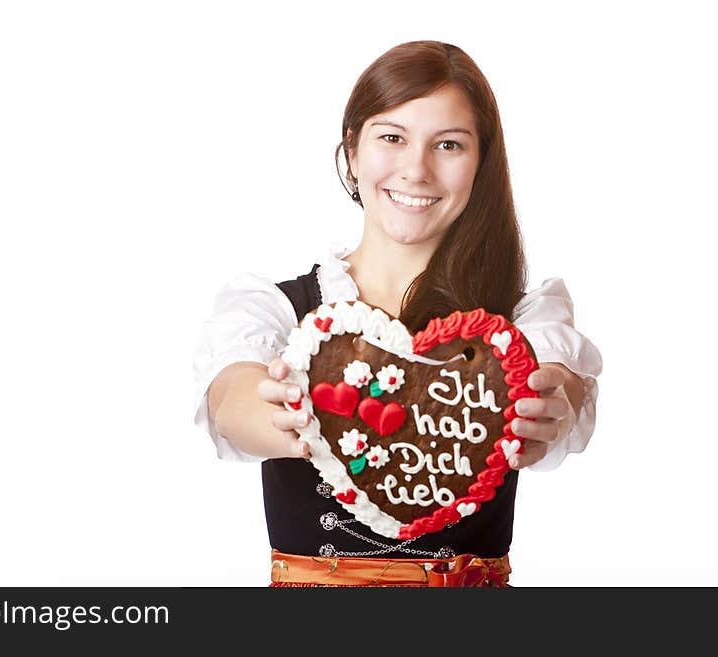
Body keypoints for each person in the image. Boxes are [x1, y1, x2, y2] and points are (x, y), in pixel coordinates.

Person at [192, 40, 602, 587]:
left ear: (481, 162)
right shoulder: (277, 310)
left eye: (449, 145)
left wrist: (550, 406)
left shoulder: (519, 324)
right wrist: (287, 412)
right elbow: (230, 401)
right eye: (392, 137)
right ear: (352, 151)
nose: (417, 169)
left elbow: (561, 387)